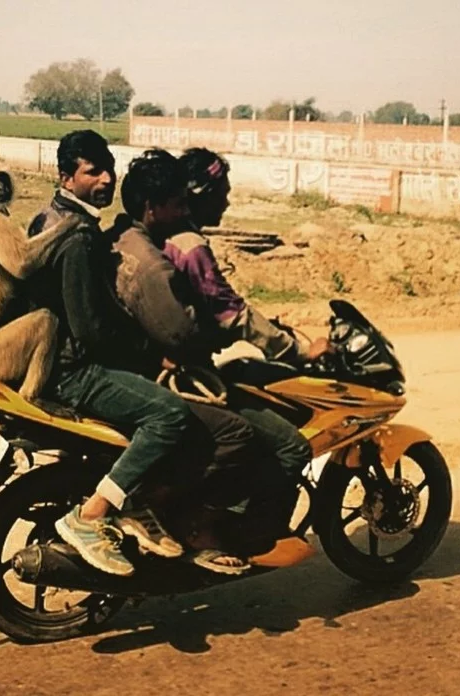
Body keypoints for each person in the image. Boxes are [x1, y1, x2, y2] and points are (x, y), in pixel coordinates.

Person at [26, 131, 199, 577]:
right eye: (92, 171)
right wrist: (150, 355)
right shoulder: (79, 237)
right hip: (74, 369)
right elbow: (92, 330)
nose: (106, 179)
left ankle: (131, 498)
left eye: (109, 168)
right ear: (66, 176)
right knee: (170, 416)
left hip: (46, 360)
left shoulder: (45, 217)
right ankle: (93, 515)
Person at [108, 148, 289, 569]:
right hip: (164, 371)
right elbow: (217, 320)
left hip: (148, 363)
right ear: (158, 206)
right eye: (182, 201)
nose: (225, 201)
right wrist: (290, 346)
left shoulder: (129, 236)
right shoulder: (185, 249)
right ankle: (195, 525)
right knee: (244, 436)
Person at [161, 147, 331, 491]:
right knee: (292, 447)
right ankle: (245, 530)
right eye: (222, 193)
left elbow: (215, 309)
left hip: (173, 363)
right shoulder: (191, 246)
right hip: (186, 373)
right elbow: (233, 315)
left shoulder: (168, 236)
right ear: (201, 194)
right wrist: (296, 350)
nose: (226, 203)